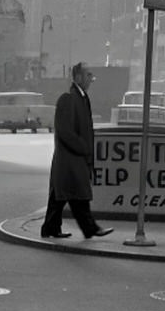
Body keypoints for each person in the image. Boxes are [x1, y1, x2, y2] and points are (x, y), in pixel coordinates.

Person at [40, 63, 113, 240]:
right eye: (88, 75)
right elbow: (65, 131)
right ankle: (90, 228)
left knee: (62, 195)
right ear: (78, 77)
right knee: (77, 195)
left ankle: (51, 228)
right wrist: (84, 147)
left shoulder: (81, 98)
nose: (91, 80)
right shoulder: (69, 98)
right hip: (70, 159)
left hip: (72, 159)